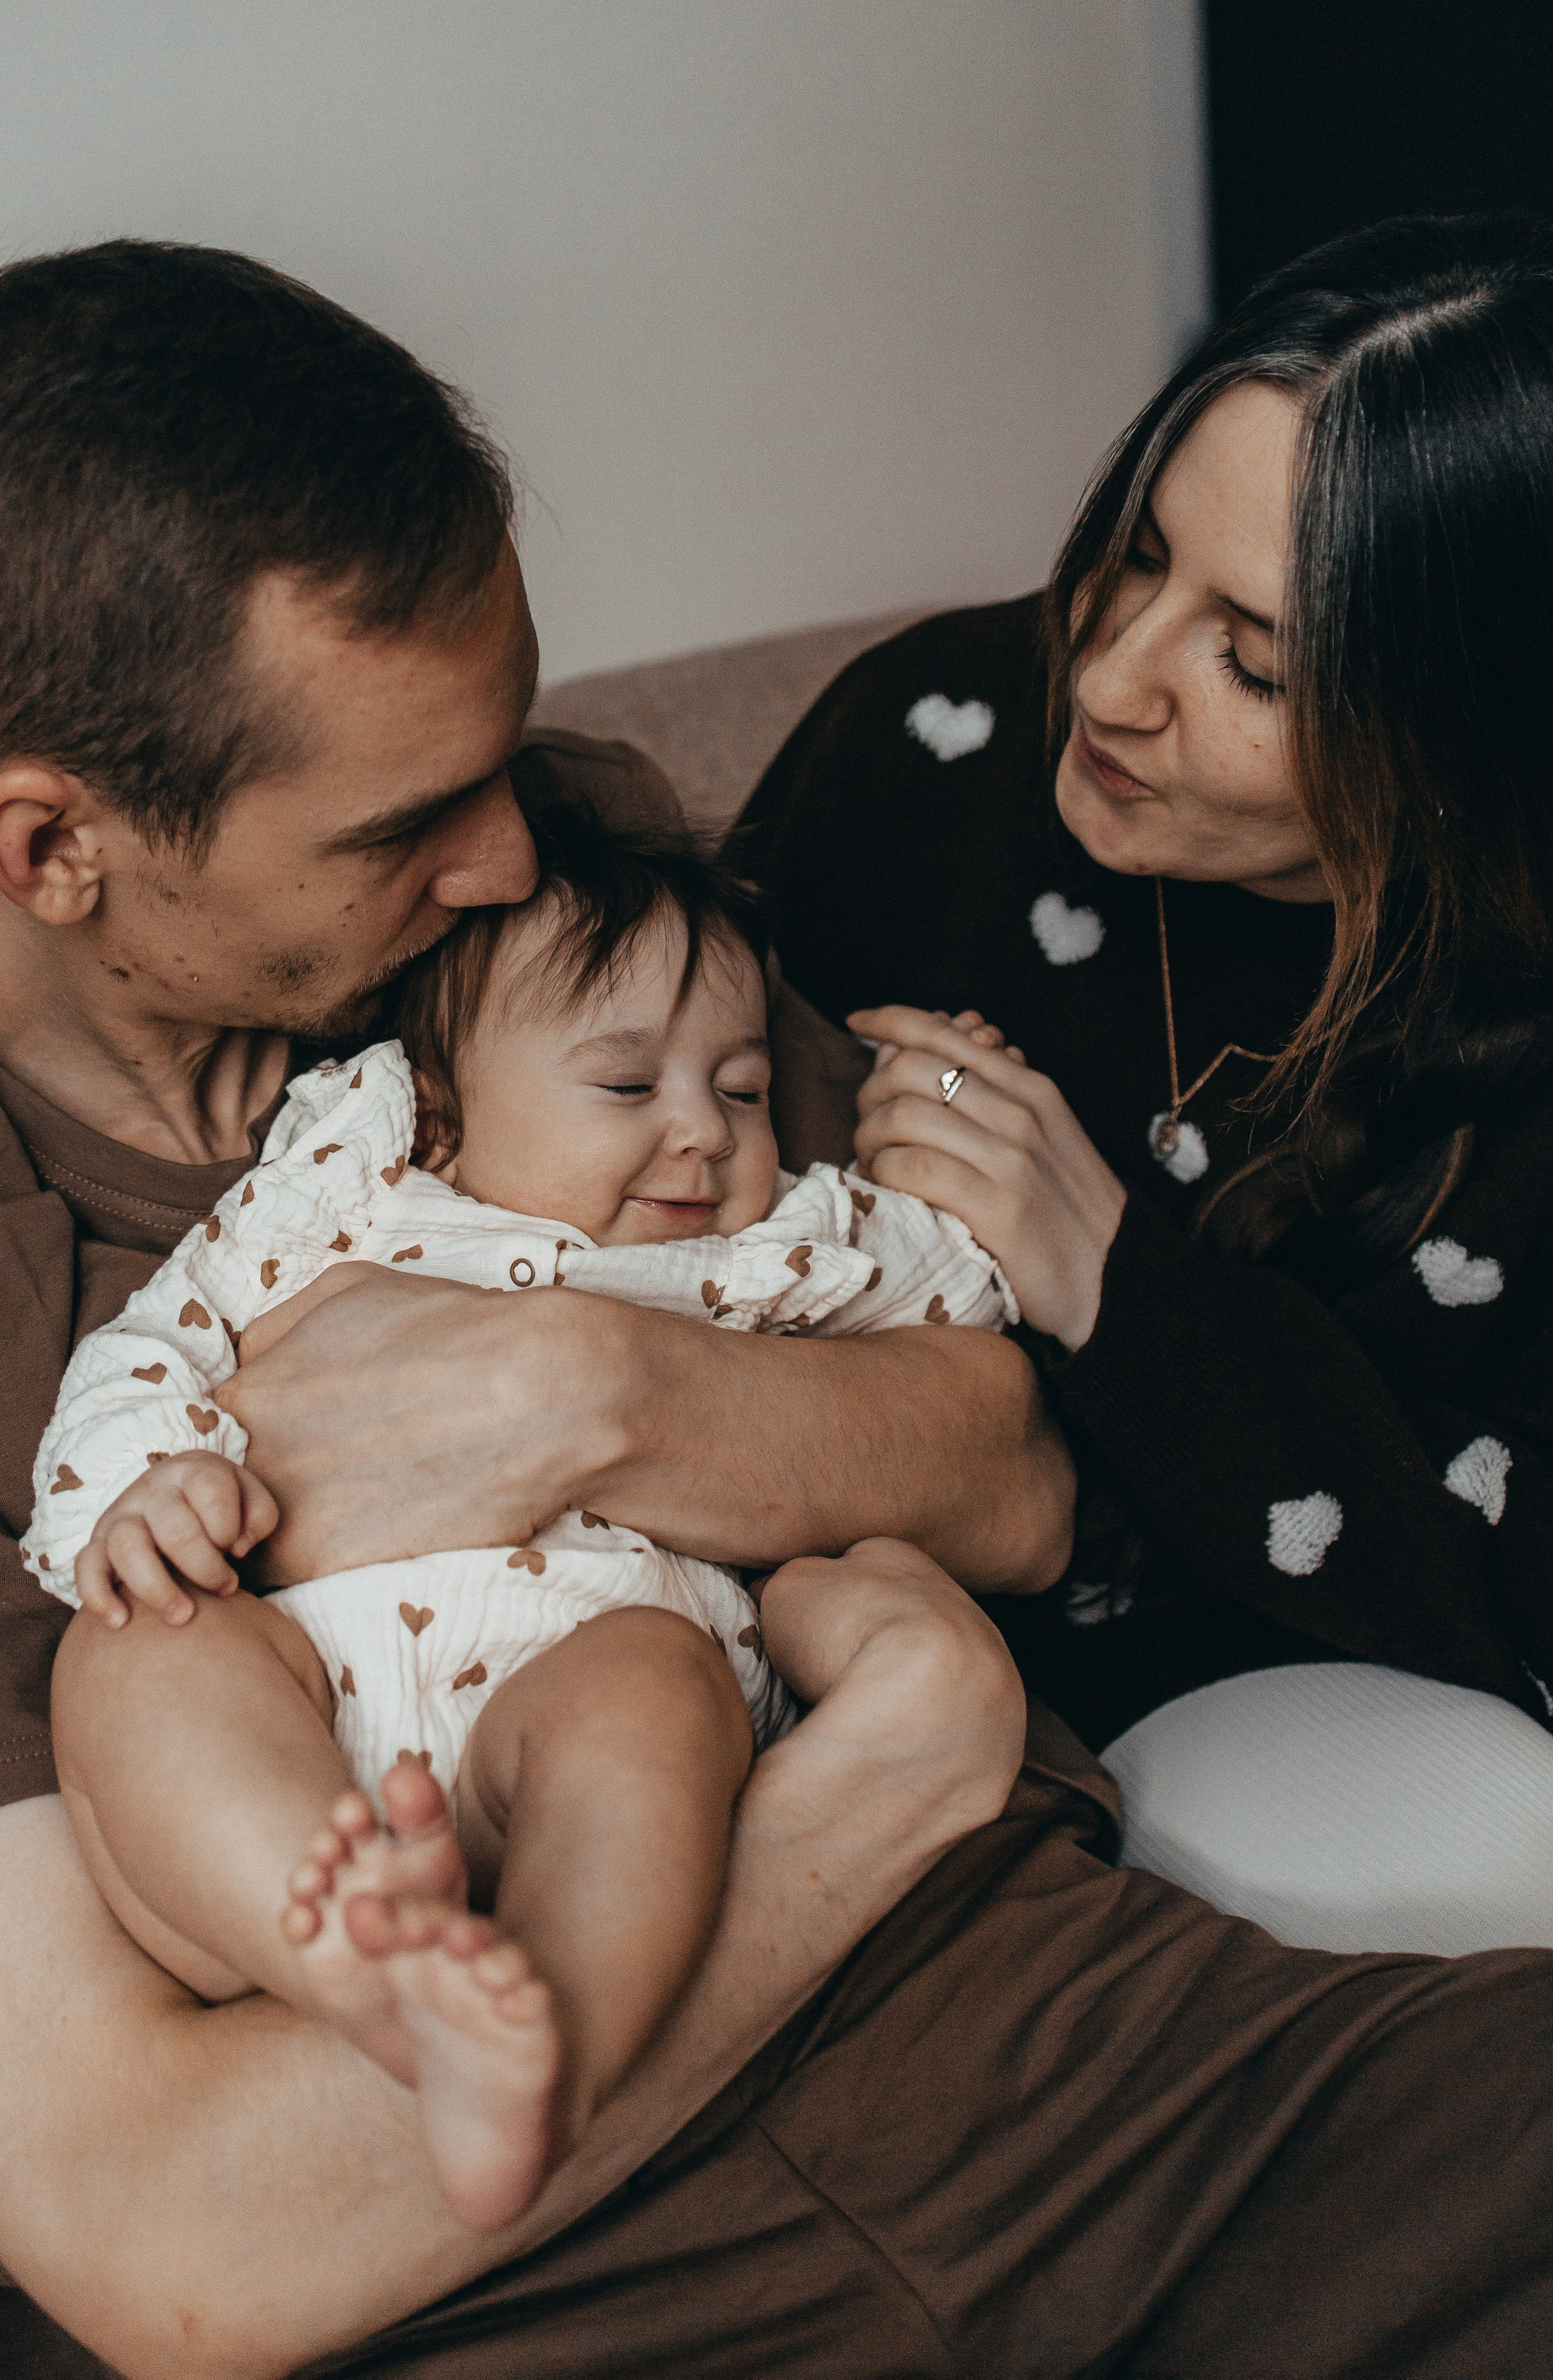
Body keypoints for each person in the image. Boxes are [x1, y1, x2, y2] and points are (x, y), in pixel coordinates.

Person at [0, 234, 1553, 2380]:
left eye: (511, 753)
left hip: (1113, 2069)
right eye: (409, 821)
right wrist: (885, 1775)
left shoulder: (581, 921)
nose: (518, 858)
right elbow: (173, 2245)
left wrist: (589, 1380)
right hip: (552, 2274)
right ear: (51, 847)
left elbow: (1008, 1470)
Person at [24, 798, 1022, 2235]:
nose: (699, 1134)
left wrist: (931, 1129)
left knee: (656, 1695)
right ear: (435, 1105)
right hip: (301, 1697)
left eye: (740, 1088)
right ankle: (355, 1960)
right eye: (626, 1089)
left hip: (585, 1671)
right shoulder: (340, 1190)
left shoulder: (774, 1246)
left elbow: (960, 1306)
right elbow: (154, 1341)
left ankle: (546, 2043)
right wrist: (147, 1482)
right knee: (137, 1645)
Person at [733, 210, 1553, 1762]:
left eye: (1251, 666)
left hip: (1270, 1742)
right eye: (1140, 556)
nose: (1107, 681)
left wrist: (1110, 1272)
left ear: (1459, 737)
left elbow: (1508, 1595)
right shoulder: (936, 735)